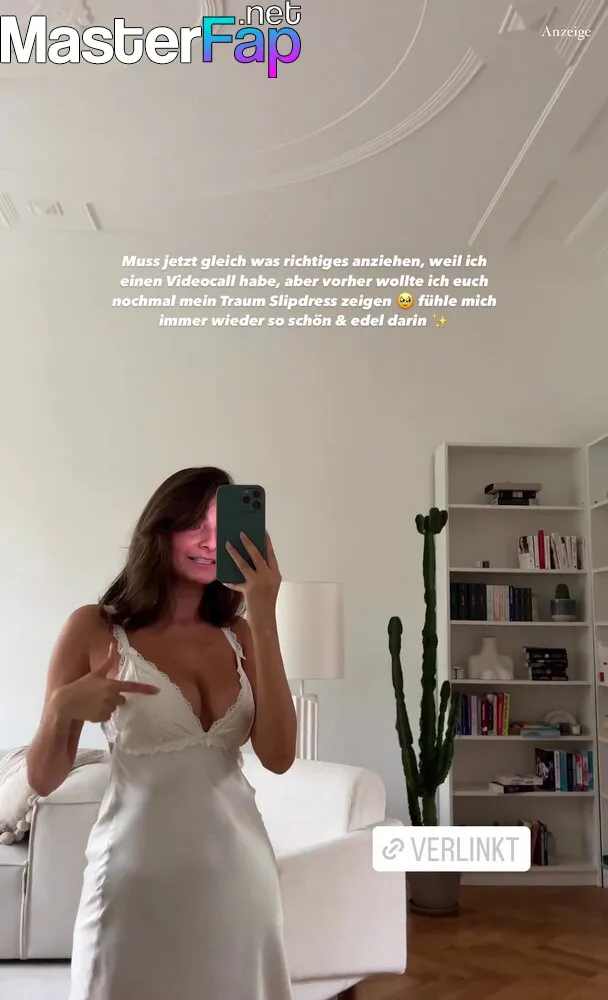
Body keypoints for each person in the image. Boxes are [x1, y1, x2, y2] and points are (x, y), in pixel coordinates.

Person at [26, 466, 298, 1000]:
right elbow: (42, 779)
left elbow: (279, 755)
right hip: (135, 885)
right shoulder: (95, 628)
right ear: (161, 529)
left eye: (220, 525)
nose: (209, 541)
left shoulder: (240, 633)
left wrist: (264, 611)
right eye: (194, 524)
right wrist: (61, 709)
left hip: (240, 883)